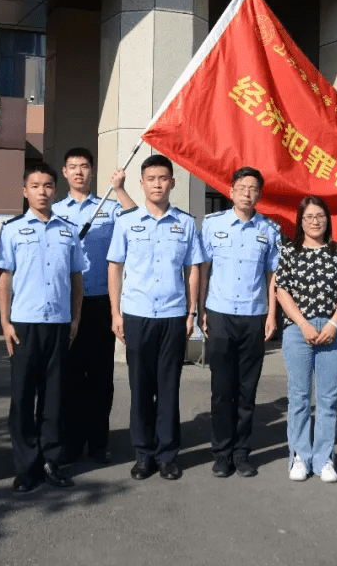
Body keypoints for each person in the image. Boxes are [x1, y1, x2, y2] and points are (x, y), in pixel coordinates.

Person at [107, 154, 205, 481]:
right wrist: (115, 313)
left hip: (173, 315)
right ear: (142, 184)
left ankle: (167, 455)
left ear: (172, 182)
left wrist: (192, 311)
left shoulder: (186, 223)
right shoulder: (127, 221)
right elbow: (114, 267)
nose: (158, 184)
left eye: (163, 178)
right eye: (151, 179)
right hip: (136, 315)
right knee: (140, 386)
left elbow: (193, 270)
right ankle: (143, 454)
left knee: (168, 388)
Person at [0, 161, 86, 493]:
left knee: (54, 399)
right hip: (24, 325)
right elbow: (5, 279)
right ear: (25, 191)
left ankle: (51, 460)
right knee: (22, 399)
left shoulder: (68, 230)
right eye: (35, 186)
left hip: (58, 324)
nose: (42, 192)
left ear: (55, 190)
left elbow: (76, 278)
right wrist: (4, 323)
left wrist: (75, 318)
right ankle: (25, 466)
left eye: (48, 186)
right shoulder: (12, 229)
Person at [52, 147, 135, 464]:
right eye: (72, 167)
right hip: (66, 303)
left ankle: (99, 443)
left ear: (92, 171)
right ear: (64, 172)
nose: (78, 172)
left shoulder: (110, 208)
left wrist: (121, 190)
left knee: (101, 377)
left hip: (100, 301)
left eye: (84, 166)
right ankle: (71, 442)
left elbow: (136, 220)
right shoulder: (56, 210)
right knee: (70, 376)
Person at [197, 166, 281, 478]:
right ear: (231, 191)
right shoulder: (212, 224)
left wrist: (272, 314)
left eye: (254, 189)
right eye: (242, 187)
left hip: (254, 315)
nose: (247, 193)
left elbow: (272, 275)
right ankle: (221, 453)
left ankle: (242, 452)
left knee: (247, 390)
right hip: (219, 313)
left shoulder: (269, 229)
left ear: (260, 194)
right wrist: (201, 309)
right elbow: (203, 269)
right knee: (222, 389)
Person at [275, 196, 337, 484]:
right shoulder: (289, 252)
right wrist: (303, 324)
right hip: (299, 330)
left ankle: (324, 459)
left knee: (328, 399)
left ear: (327, 219)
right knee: (298, 397)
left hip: (331, 330)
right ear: (300, 220)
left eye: (320, 215)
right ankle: (299, 456)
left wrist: (334, 322)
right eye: (309, 216)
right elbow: (282, 290)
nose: (315, 221)